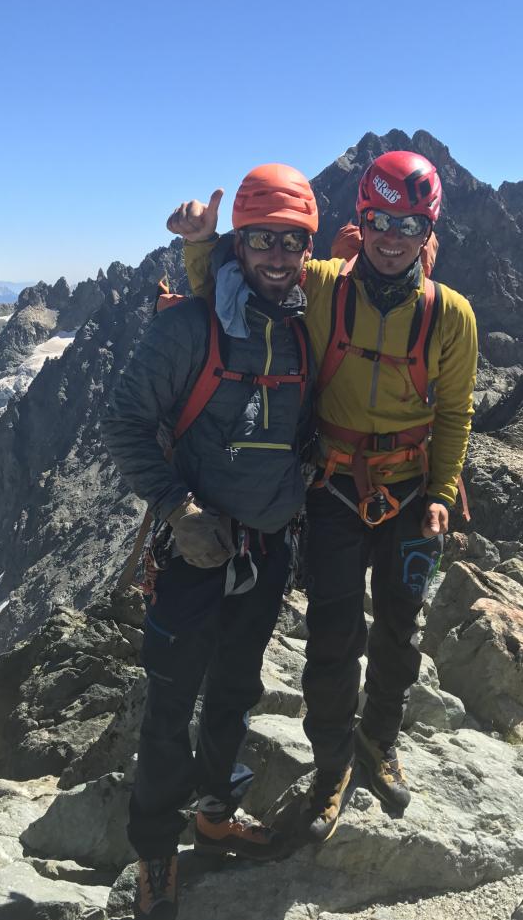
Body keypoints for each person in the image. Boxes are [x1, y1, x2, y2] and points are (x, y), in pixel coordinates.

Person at [176, 150, 477, 843]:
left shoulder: (451, 315)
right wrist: (200, 245)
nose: (392, 238)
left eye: (409, 224)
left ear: (429, 230)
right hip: (334, 488)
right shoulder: (319, 285)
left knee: (400, 633)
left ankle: (379, 741)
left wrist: (440, 490)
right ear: (360, 220)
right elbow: (236, 290)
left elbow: (457, 412)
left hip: (411, 494)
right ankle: (332, 764)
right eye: (380, 221)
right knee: (333, 637)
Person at [101, 163, 317, 920]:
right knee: (170, 704)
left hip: (265, 551)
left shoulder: (306, 330)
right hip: (192, 554)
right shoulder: (188, 327)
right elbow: (125, 421)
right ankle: (155, 852)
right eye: (261, 240)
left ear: (308, 248)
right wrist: (177, 507)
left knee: (233, 691)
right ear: (238, 242)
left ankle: (216, 814)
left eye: (292, 242)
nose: (277, 256)